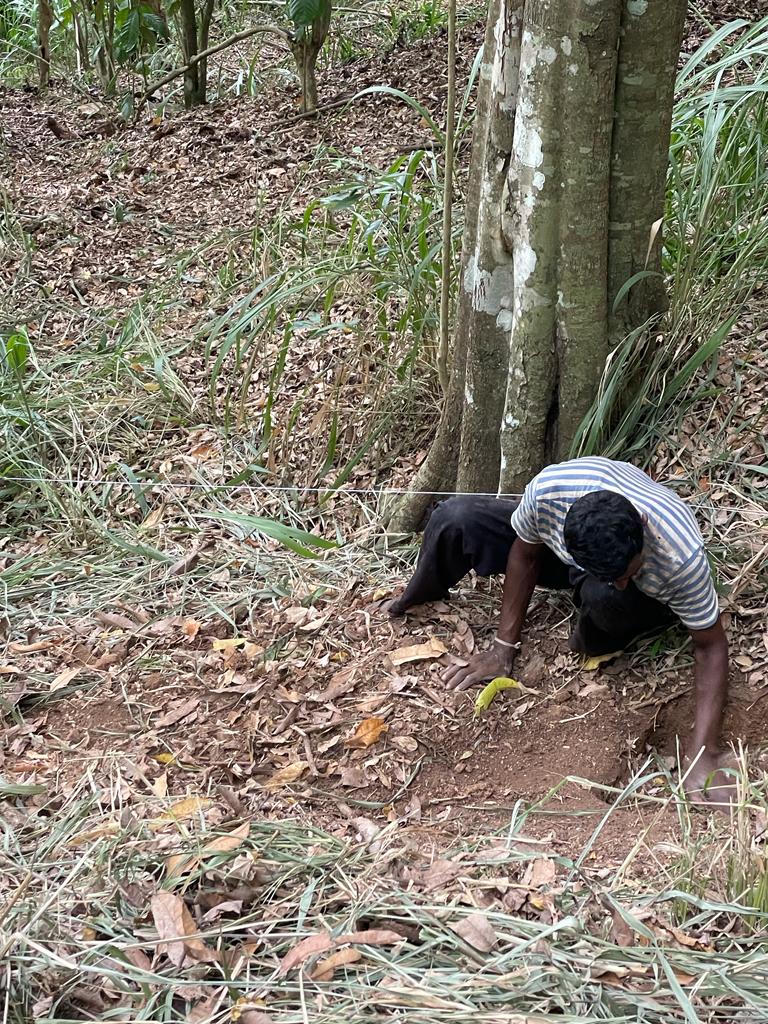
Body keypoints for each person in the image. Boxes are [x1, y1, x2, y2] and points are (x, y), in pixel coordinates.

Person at [388, 456, 732, 806]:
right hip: (577, 548)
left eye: (630, 572)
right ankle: (409, 602)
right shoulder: (548, 495)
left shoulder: (680, 558)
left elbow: (711, 646)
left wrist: (704, 753)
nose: (622, 581)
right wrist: (503, 647)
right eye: (614, 575)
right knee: (455, 517)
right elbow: (525, 555)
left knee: (606, 601)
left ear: (642, 525)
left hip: (634, 577)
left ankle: (604, 598)